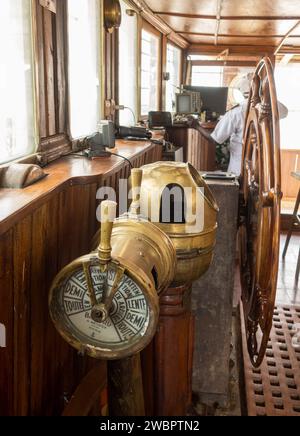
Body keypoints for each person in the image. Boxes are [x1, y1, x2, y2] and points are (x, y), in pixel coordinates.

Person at [199, 74, 288, 176]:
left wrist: (196, 125)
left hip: (238, 169)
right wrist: (266, 96)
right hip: (263, 170)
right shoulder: (270, 108)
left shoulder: (235, 113)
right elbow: (285, 112)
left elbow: (215, 139)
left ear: (242, 93)